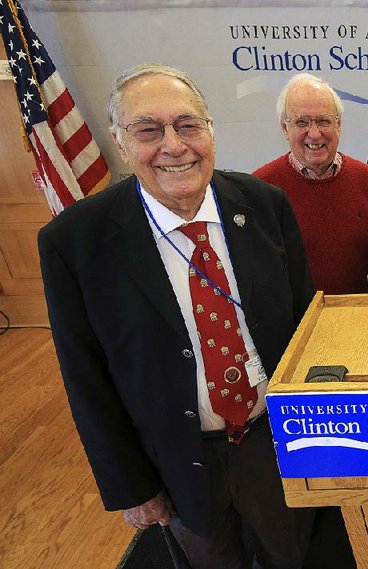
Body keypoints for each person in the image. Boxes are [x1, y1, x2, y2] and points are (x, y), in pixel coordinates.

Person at [38, 64, 315, 569]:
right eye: (149, 130)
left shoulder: (264, 204)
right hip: (178, 460)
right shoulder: (74, 242)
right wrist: (133, 486)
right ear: (122, 144)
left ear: (210, 131)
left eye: (188, 125)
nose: (173, 145)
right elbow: (85, 379)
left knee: (289, 553)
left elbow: (302, 324)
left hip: (273, 442)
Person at [253, 73, 368, 294]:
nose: (314, 134)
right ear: (285, 129)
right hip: (296, 326)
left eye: (323, 121)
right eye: (301, 122)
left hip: (364, 320)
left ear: (339, 124)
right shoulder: (260, 190)